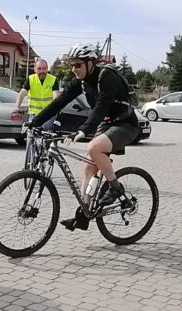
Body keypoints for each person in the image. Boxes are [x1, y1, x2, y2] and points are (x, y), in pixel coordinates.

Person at [29, 43, 140, 231]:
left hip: (125, 124)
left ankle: (115, 187)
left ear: (91, 63)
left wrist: (83, 129)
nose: (74, 69)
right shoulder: (80, 82)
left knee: (93, 148)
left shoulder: (107, 77)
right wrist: (35, 122)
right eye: (72, 65)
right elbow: (60, 102)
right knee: (88, 168)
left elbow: (101, 107)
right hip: (106, 124)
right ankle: (84, 214)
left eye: (78, 65)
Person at [14, 59, 60, 130]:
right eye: (39, 69)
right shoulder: (30, 79)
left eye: (44, 68)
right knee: (30, 134)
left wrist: (55, 107)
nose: (42, 71)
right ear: (34, 69)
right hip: (34, 114)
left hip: (48, 114)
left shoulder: (53, 79)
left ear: (47, 69)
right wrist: (17, 107)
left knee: (43, 131)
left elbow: (56, 95)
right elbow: (22, 93)